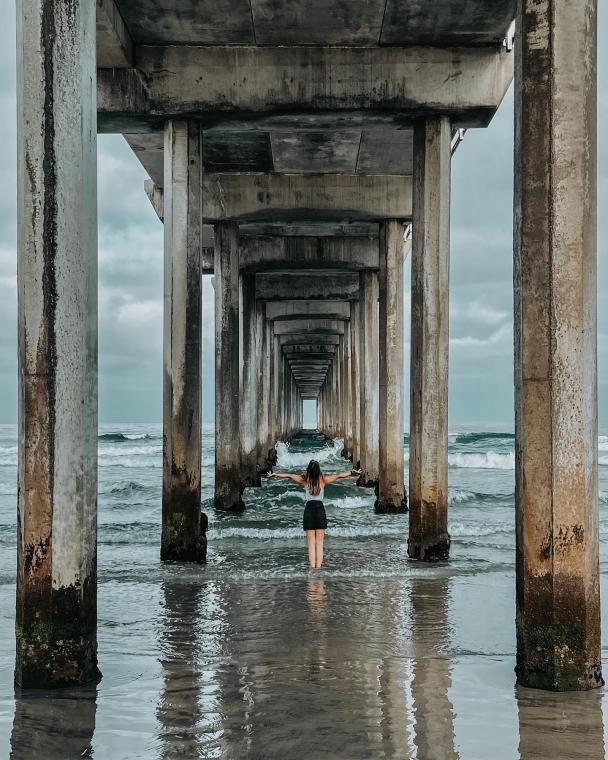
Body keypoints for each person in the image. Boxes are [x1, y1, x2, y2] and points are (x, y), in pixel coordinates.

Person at [268, 460, 360, 569]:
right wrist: (352, 472)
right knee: (319, 543)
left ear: (308, 470)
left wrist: (275, 474)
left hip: (309, 510)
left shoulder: (305, 479)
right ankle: (318, 569)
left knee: (311, 543)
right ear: (318, 470)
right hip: (320, 510)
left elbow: (289, 475)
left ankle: (313, 568)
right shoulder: (323, 479)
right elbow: (339, 476)